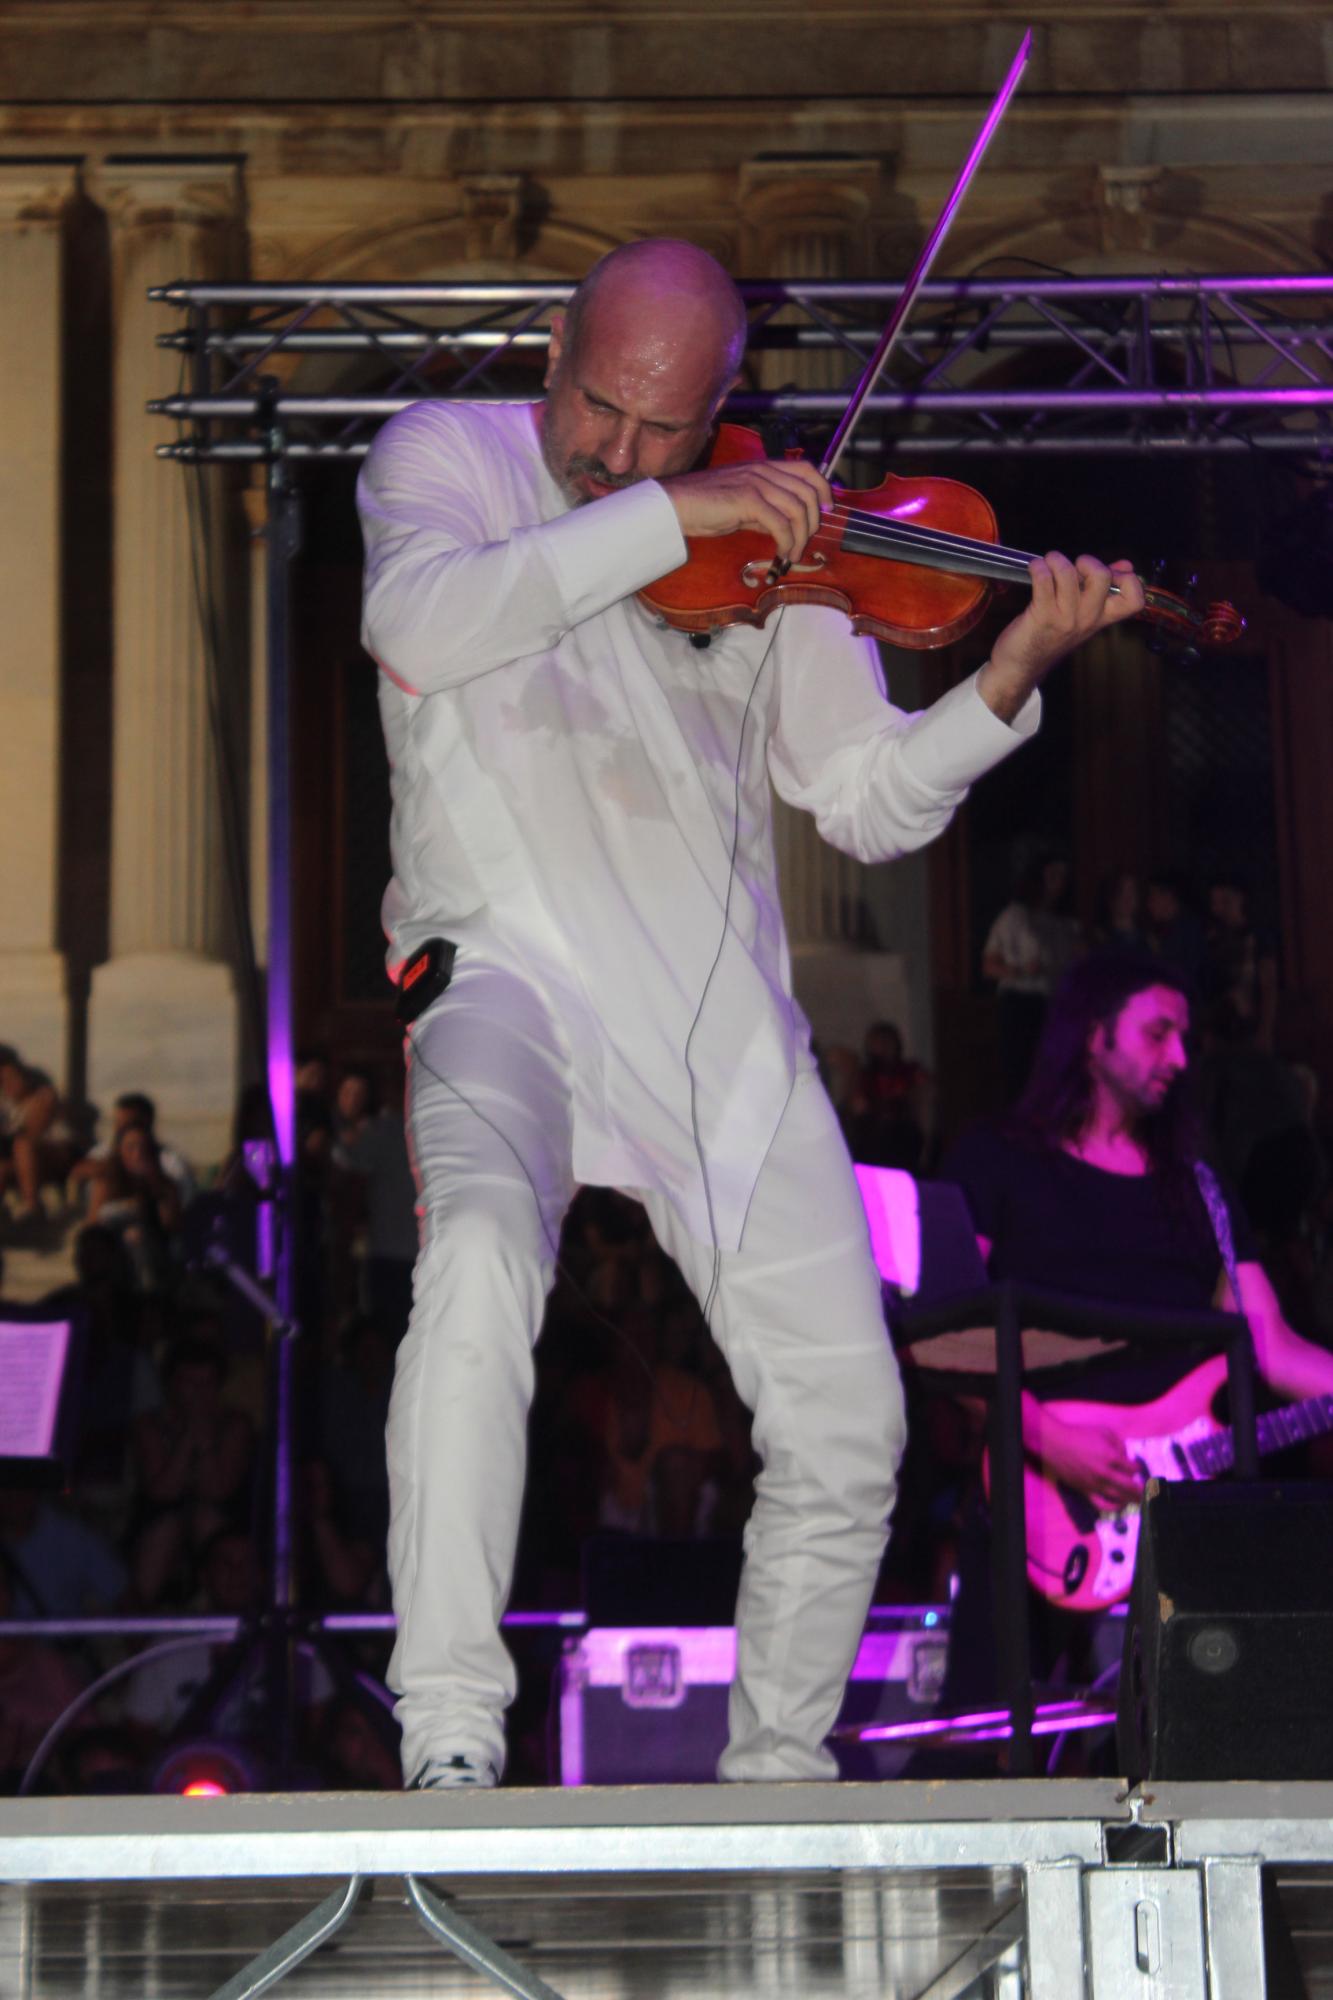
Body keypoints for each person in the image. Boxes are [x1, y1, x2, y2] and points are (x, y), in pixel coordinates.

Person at [355, 234, 1146, 1790]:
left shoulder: (782, 531)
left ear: (724, 399)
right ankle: (449, 1739)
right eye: (599, 407)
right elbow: (421, 629)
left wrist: (1004, 679)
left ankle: (777, 1773)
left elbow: (862, 800)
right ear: (554, 351)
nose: (619, 453)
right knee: (480, 1265)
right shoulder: (445, 455)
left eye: (666, 429)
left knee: (849, 1415)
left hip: (713, 1025)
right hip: (501, 979)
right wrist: (681, 510)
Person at [936, 952, 1333, 1708]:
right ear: (1094, 1037)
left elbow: (1272, 1347)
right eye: (1157, 1034)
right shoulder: (997, 1160)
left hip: (1180, 1513)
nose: (1179, 1058)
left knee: (1192, 1733)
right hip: (1039, 1490)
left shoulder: (1198, 1186)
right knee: (987, 1733)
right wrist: (1048, 1439)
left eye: (1184, 1038)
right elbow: (951, 1332)